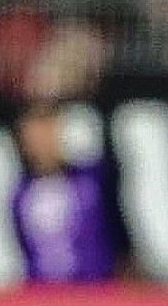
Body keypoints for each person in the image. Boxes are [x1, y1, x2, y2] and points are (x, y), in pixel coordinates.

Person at [11, 102, 130, 283]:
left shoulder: (92, 181)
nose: (41, 143)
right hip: (42, 291)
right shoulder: (20, 194)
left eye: (48, 132)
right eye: (33, 136)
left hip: (97, 287)